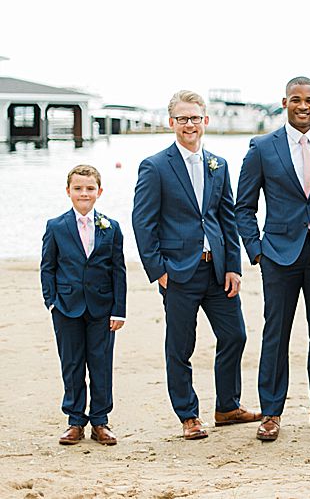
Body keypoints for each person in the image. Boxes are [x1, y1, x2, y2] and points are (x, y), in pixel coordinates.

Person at [235, 76, 310, 441]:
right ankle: (271, 412)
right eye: (296, 100)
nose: (303, 106)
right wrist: (257, 251)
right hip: (279, 256)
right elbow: (244, 207)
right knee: (276, 335)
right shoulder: (262, 147)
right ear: (284, 102)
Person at [133, 90, 259, 440]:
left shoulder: (218, 164)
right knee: (180, 346)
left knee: (235, 335)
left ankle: (228, 406)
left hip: (217, 271)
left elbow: (227, 217)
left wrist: (233, 265)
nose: (190, 124)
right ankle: (188, 415)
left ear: (206, 121)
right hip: (177, 272)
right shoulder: (155, 166)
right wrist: (158, 269)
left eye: (195, 118)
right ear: (171, 122)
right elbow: (143, 222)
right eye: (183, 118)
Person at [40, 164, 126, 446]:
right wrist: (51, 302)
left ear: (99, 192)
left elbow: (118, 270)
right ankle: (75, 420)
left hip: (102, 308)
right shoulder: (56, 226)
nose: (84, 193)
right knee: (72, 364)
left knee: (101, 364)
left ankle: (100, 421)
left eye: (90, 188)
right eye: (78, 188)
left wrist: (119, 309)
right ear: (68, 192)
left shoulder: (111, 227)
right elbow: (48, 267)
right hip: (66, 307)